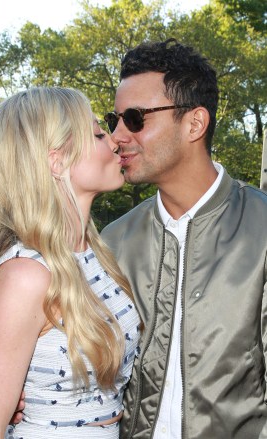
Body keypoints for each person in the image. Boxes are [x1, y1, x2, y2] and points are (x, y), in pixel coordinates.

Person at [100, 38, 267, 439]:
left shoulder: (262, 230)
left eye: (136, 118)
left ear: (194, 123)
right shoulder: (113, 240)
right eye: (114, 120)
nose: (117, 136)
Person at [0, 86, 141, 438]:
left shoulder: (98, 253)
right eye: (97, 134)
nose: (113, 142)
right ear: (57, 161)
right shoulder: (25, 276)